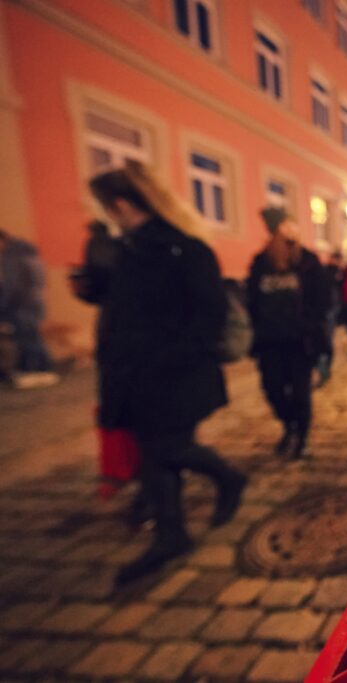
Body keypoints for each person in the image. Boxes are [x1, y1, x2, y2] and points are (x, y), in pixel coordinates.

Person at [87, 161, 246, 585]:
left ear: (120, 205)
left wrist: (169, 357)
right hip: (136, 374)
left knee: (167, 449)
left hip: (173, 375)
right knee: (156, 457)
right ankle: (171, 533)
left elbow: (208, 317)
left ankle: (227, 477)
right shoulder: (128, 250)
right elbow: (120, 307)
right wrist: (93, 280)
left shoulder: (183, 248)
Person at [247, 207, 329, 459]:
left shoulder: (308, 262)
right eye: (284, 226)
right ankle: (289, 424)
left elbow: (322, 298)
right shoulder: (261, 262)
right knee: (272, 388)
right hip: (270, 341)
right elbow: (252, 298)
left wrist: (311, 327)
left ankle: (301, 436)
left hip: (300, 342)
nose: (289, 231)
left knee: (301, 390)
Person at [0, 228, 58, 387]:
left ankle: (35, 372)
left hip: (21, 305)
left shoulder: (11, 257)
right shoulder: (28, 252)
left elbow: (13, 287)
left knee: (26, 339)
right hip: (35, 302)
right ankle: (44, 370)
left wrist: (4, 308)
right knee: (34, 337)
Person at [317, 250, 343, 385]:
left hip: (331, 309)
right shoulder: (325, 272)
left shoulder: (340, 273)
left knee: (326, 340)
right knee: (324, 340)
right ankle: (323, 370)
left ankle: (325, 369)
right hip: (325, 311)